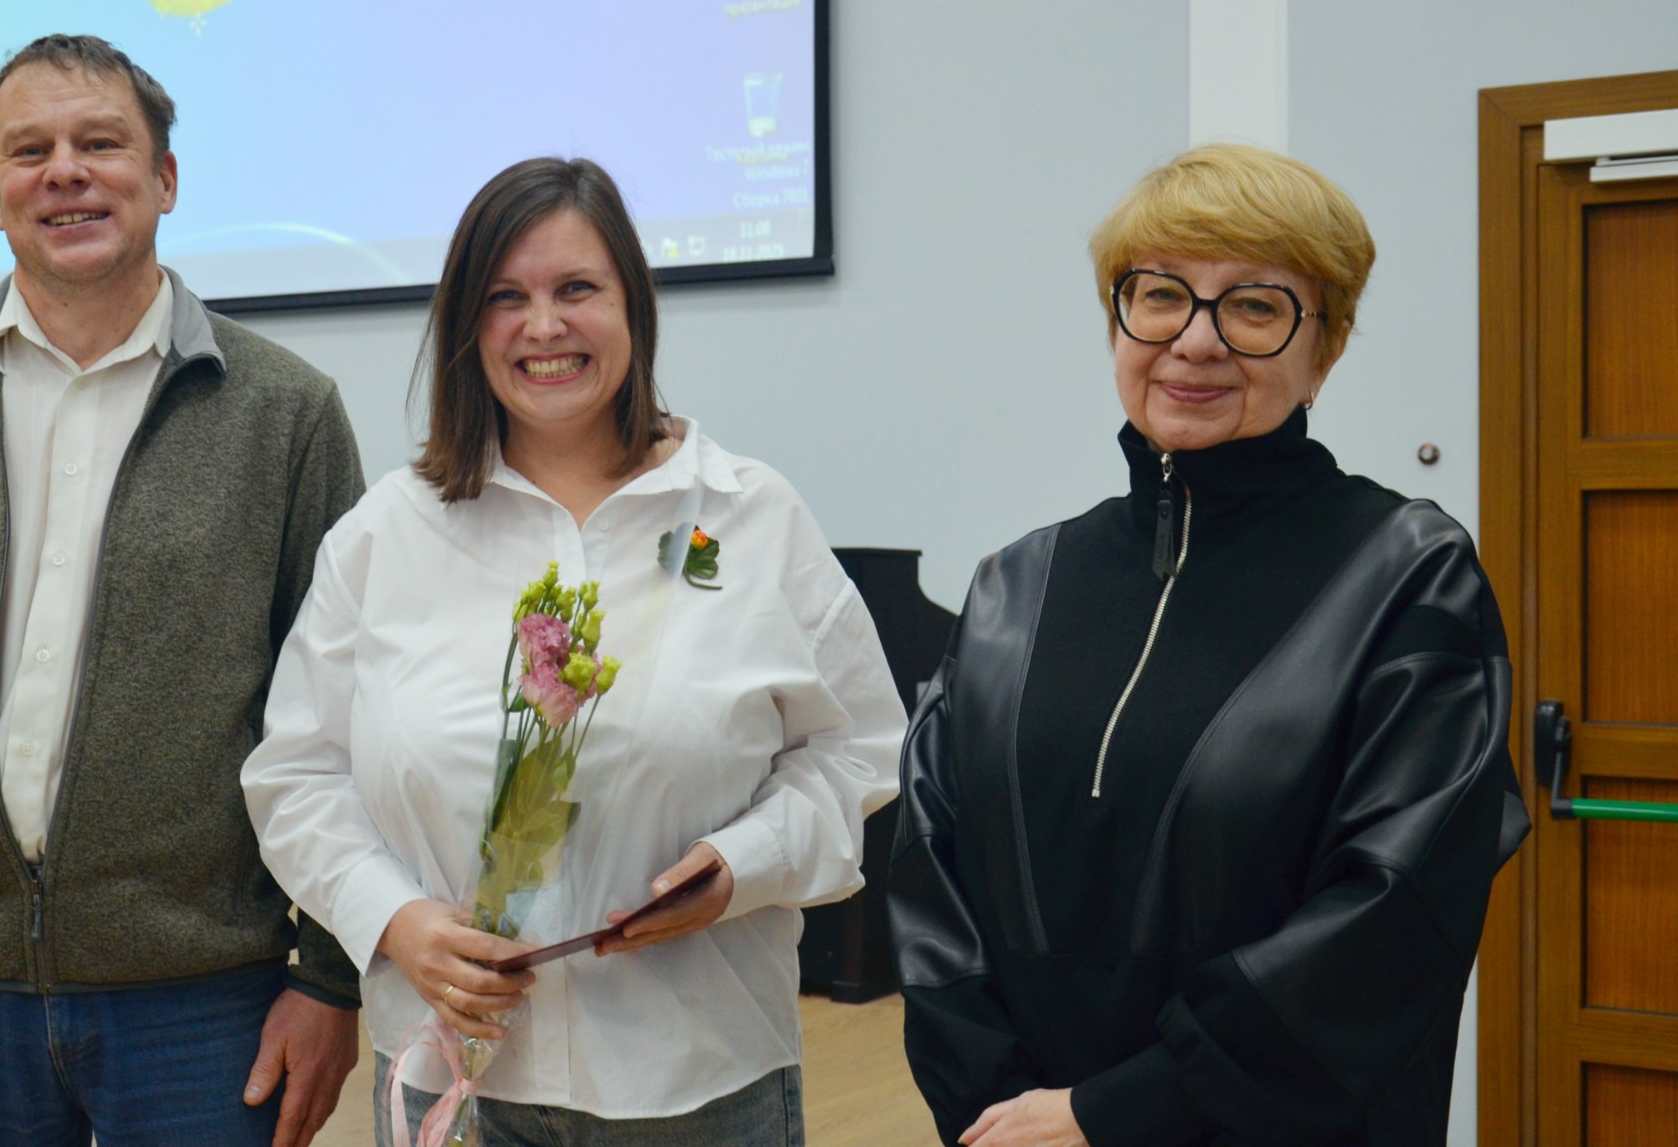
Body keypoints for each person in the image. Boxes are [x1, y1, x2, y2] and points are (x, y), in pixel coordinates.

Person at [0, 34, 365, 1147]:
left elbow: (348, 717)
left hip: (206, 1002)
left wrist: (330, 978)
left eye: (101, 143)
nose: (65, 172)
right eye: (29, 150)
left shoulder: (287, 415)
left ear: (165, 179)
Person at [242, 156, 905, 1145]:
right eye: (505, 298)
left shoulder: (748, 516)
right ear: (466, 328)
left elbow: (856, 752)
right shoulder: (388, 533)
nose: (543, 325)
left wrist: (745, 864)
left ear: (633, 305)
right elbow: (297, 775)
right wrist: (395, 921)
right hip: (449, 1077)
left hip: (696, 1077)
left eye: (577, 289)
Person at [889, 144, 1529, 1147]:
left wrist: (1113, 1113)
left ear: (1327, 345)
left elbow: (1395, 911)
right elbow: (930, 866)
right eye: (1159, 296)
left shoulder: (1406, 575)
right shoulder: (1017, 584)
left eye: (1254, 307)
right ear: (1117, 319)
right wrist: (991, 1101)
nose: (1194, 342)